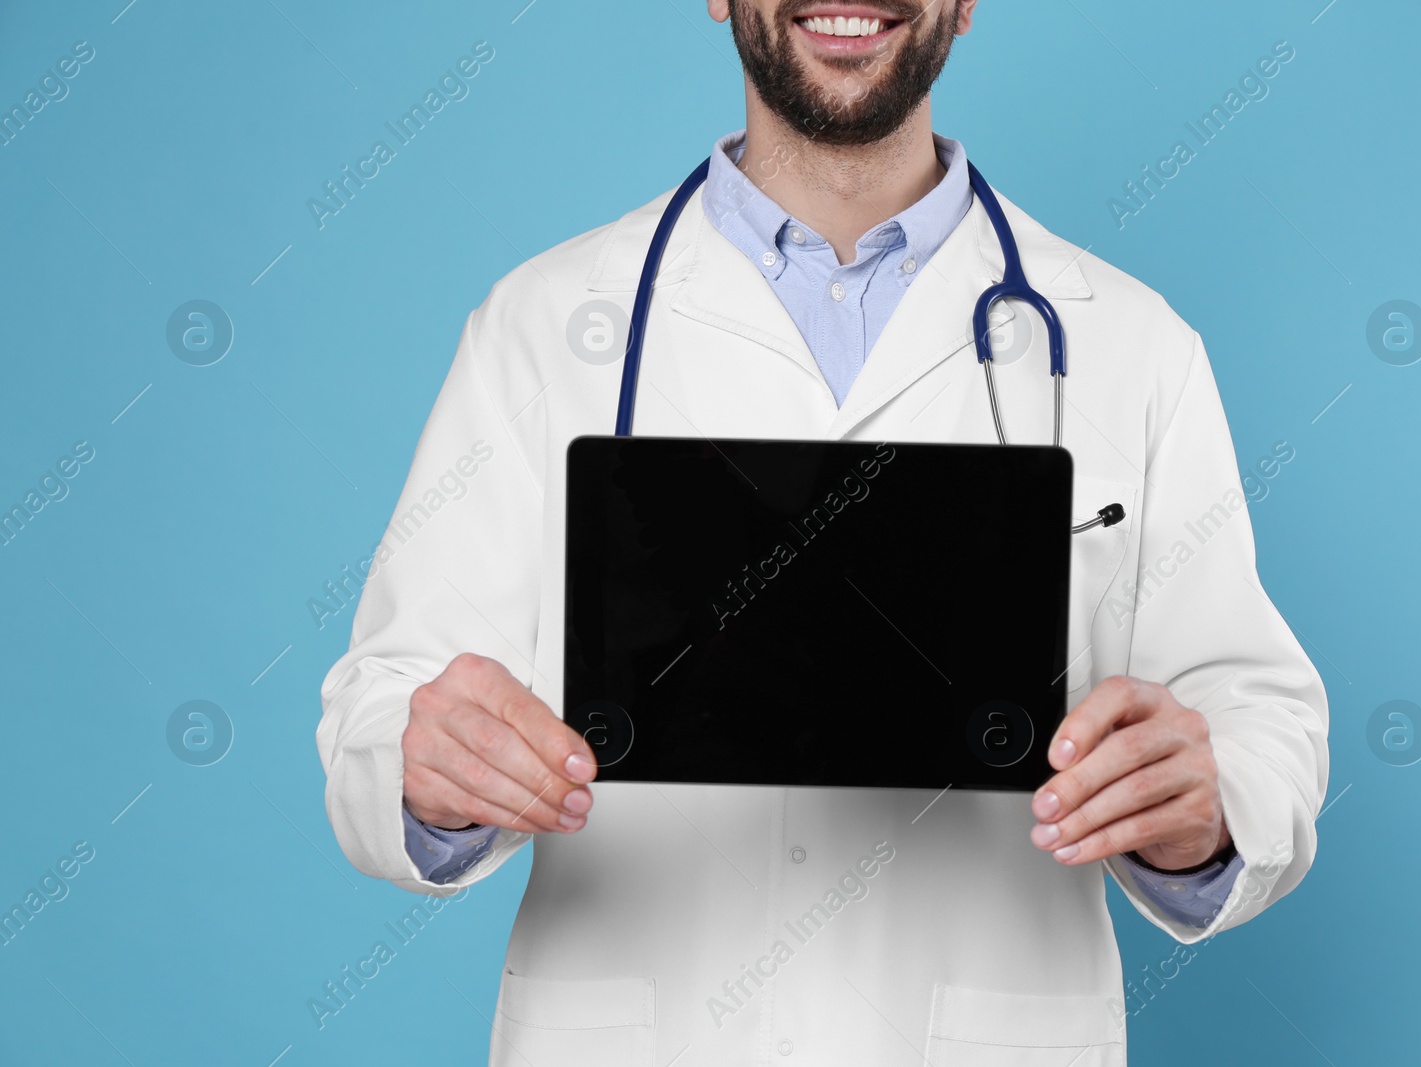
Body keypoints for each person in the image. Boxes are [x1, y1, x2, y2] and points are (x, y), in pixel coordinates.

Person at [317, 2, 1330, 1063]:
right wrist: (430, 766)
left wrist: (1204, 808)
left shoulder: (1131, 346)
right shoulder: (541, 326)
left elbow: (1258, 725)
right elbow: (383, 708)